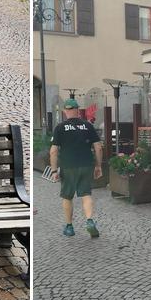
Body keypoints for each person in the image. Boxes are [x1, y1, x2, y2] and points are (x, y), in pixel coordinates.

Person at [50, 98, 103, 237]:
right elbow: (98, 147)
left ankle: (69, 227)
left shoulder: (60, 128)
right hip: (86, 165)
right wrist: (98, 166)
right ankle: (90, 221)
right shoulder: (88, 126)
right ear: (78, 111)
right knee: (86, 194)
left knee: (67, 196)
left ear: (65, 111)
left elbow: (53, 151)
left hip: (68, 166)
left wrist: (54, 170)